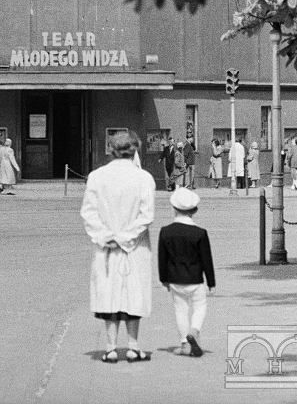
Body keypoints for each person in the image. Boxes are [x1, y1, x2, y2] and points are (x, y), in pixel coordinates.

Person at [80, 131, 155, 363]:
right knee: (134, 294)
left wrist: (106, 237)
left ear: (110, 149)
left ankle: (111, 348)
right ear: (135, 150)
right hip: (135, 247)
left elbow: (89, 212)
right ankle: (133, 347)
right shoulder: (144, 178)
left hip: (107, 248)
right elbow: (146, 216)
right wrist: (126, 238)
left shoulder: (96, 176)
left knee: (108, 293)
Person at [158, 187, 215, 358]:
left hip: (175, 278)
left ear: (173, 208)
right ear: (194, 210)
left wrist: (164, 279)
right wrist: (211, 282)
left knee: (180, 310)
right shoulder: (200, 233)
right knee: (200, 307)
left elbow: (162, 258)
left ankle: (184, 343)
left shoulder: (166, 231)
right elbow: (207, 260)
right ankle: (194, 330)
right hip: (195, 279)